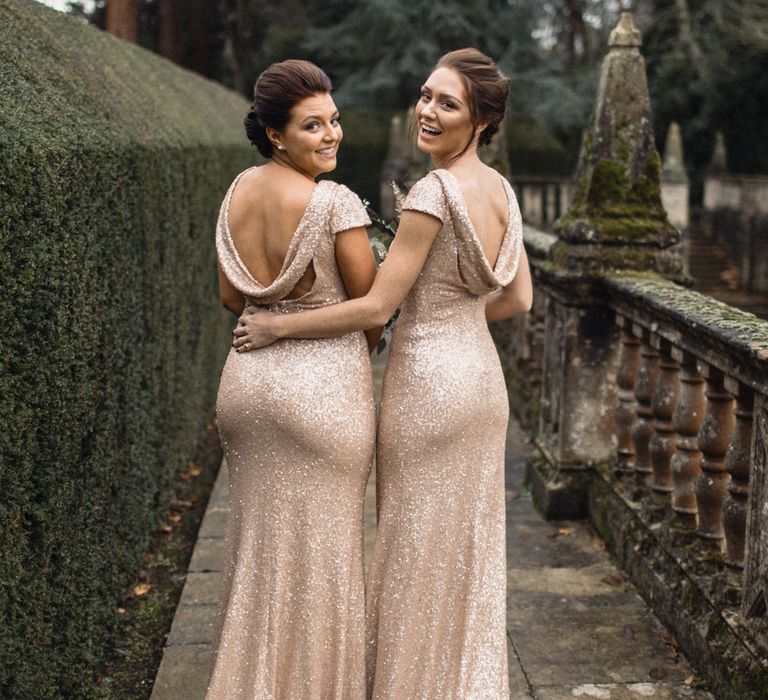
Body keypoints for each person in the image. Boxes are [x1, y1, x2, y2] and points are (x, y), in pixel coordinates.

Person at [235, 48, 532, 698]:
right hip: (482, 383)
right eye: (426, 94)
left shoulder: (432, 193)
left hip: (427, 387)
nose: (426, 110)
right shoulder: (502, 190)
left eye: (446, 103)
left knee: (410, 557)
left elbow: (375, 306)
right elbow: (518, 300)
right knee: (468, 560)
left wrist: (275, 326)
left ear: (480, 121)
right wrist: (461, 320)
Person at [206, 59, 381, 699]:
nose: (331, 134)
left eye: (334, 120)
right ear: (277, 134)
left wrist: (274, 322)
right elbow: (369, 310)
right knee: (326, 558)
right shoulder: (333, 202)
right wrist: (335, 346)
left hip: (246, 385)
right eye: (313, 126)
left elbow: (232, 295)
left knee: (256, 552)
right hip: (324, 393)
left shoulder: (237, 193)